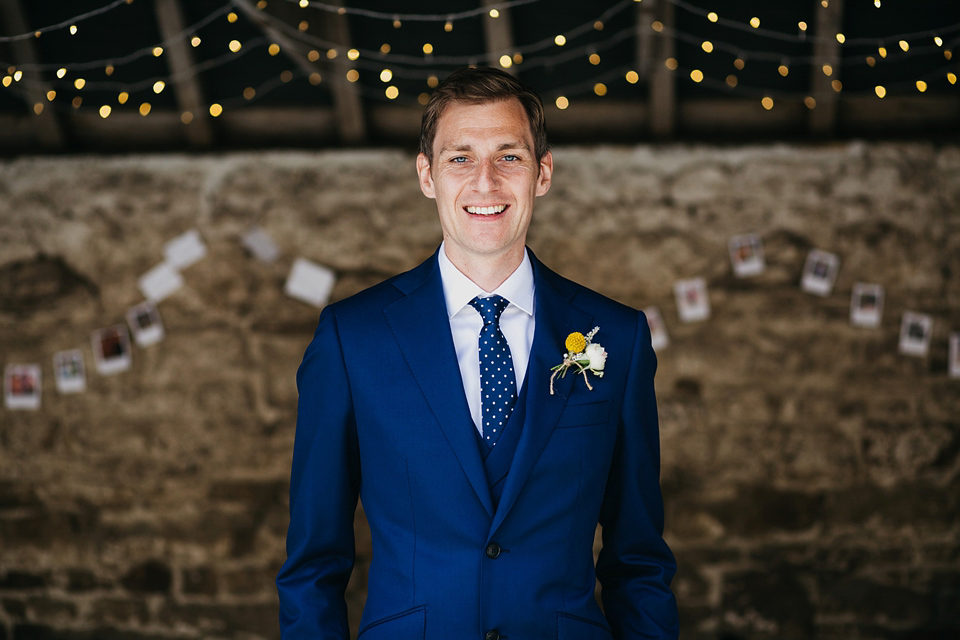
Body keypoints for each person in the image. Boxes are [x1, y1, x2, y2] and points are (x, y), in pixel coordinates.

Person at [277, 66, 678, 640]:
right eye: (460, 158)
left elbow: (638, 558)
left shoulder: (617, 336)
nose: (485, 182)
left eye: (508, 157)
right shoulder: (352, 338)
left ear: (542, 173)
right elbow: (313, 565)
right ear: (427, 175)